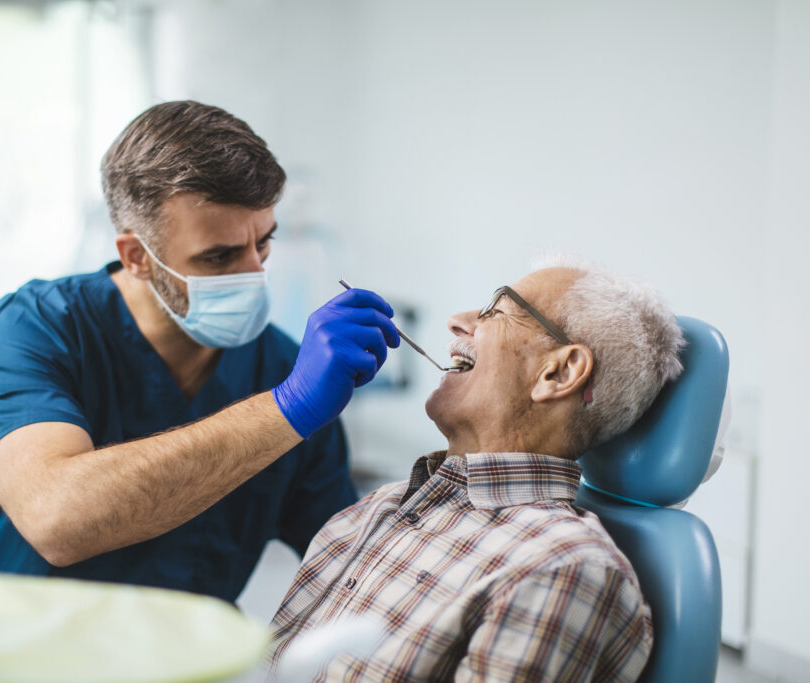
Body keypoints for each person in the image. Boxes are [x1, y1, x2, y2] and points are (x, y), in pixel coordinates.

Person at [0, 101, 399, 602]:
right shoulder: (38, 326)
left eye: (263, 244)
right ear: (137, 256)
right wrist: (286, 409)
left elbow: (350, 566)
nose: (254, 272)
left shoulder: (279, 365)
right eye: (219, 256)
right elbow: (56, 518)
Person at [267, 259, 684, 682]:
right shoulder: (381, 505)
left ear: (559, 372)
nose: (456, 322)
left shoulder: (562, 568)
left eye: (496, 312)